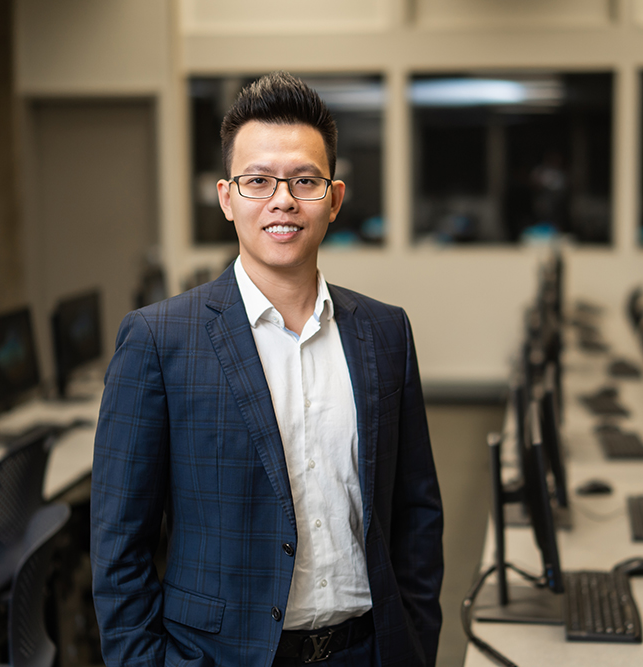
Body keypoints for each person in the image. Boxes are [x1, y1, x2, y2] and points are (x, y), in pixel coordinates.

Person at [90, 71, 444, 667]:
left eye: (304, 180)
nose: (282, 200)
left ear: (333, 198)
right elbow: (119, 550)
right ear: (227, 198)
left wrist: (415, 640)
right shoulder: (158, 340)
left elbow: (416, 515)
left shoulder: (386, 333)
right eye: (258, 180)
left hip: (368, 651)